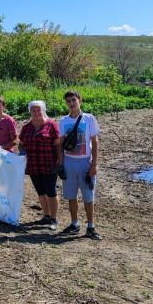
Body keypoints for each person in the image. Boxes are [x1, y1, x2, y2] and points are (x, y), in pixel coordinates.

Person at [57, 90, 101, 240]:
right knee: (71, 195)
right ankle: (74, 223)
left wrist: (94, 164)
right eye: (68, 101)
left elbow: (94, 142)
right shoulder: (63, 121)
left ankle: (91, 226)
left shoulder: (89, 119)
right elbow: (61, 144)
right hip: (69, 162)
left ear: (79, 101)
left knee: (88, 196)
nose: (71, 103)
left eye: (73, 100)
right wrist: (61, 164)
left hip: (85, 162)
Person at [18, 100, 60, 231]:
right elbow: (21, 143)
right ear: (30, 111)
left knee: (51, 192)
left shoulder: (51, 125)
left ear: (43, 110)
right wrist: (22, 151)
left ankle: (53, 218)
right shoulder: (26, 127)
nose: (36, 112)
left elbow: (58, 144)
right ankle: (46, 215)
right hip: (33, 165)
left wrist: (60, 161)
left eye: (38, 110)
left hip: (49, 164)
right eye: (33, 110)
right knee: (41, 192)